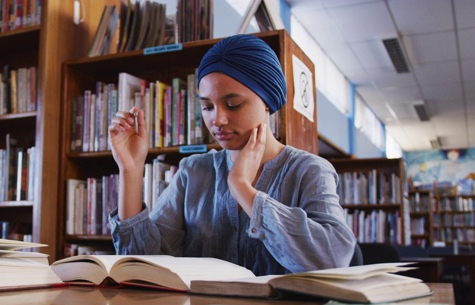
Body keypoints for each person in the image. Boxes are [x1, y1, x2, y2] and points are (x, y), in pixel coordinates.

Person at [107, 34, 357, 276]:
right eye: (207, 107)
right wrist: (131, 170)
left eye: (233, 104)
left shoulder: (309, 170)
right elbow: (143, 266)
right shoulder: (193, 171)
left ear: (267, 101)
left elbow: (332, 259)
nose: (217, 119)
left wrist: (243, 189)